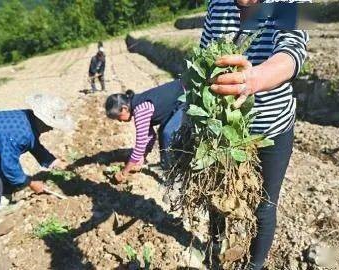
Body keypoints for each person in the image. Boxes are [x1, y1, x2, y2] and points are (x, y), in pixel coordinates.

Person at [198, 0, 309, 268]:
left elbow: (291, 53)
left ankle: (254, 265)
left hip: (270, 127)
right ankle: (216, 246)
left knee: (264, 205)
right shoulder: (218, 4)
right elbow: (204, 55)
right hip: (223, 130)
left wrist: (254, 79)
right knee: (215, 193)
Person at [0, 94, 75, 232]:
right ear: (42, 120)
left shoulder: (28, 119)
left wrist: (53, 161)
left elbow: (34, 145)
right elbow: (9, 166)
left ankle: (2, 203)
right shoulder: (21, 133)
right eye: (51, 125)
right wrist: (31, 183)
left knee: (8, 175)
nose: (52, 129)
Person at [104, 80, 185, 183]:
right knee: (162, 132)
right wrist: (142, 157)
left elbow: (139, 146)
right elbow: (150, 136)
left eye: (118, 117)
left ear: (124, 109)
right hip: (175, 100)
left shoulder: (140, 111)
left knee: (168, 133)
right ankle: (166, 167)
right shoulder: (136, 104)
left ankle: (174, 175)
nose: (119, 121)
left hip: (185, 98)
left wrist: (124, 173)